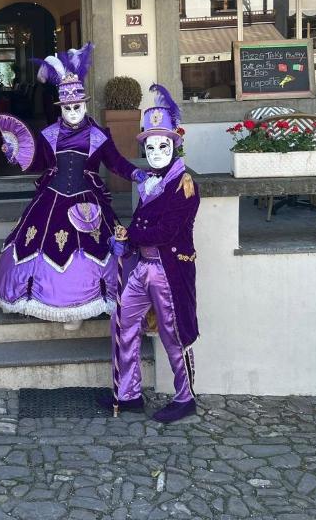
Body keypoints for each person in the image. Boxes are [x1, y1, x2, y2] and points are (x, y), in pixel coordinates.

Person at [0, 43, 145, 325]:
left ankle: (87, 301)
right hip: (51, 197)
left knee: (95, 248)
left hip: (88, 201)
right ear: (61, 107)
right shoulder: (49, 134)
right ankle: (49, 300)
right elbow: (38, 162)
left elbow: (116, 163)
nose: (74, 111)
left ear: (85, 104)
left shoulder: (99, 134)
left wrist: (138, 175)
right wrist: (14, 153)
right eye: (68, 107)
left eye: (78, 106)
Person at [99, 84, 200, 423]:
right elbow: (141, 224)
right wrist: (125, 244)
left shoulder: (184, 185)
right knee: (124, 322)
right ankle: (129, 394)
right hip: (143, 268)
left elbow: (165, 230)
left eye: (163, 145)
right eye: (151, 146)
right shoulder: (149, 182)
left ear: (176, 144)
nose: (156, 152)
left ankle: (185, 397)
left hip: (169, 270)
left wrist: (131, 234)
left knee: (173, 334)